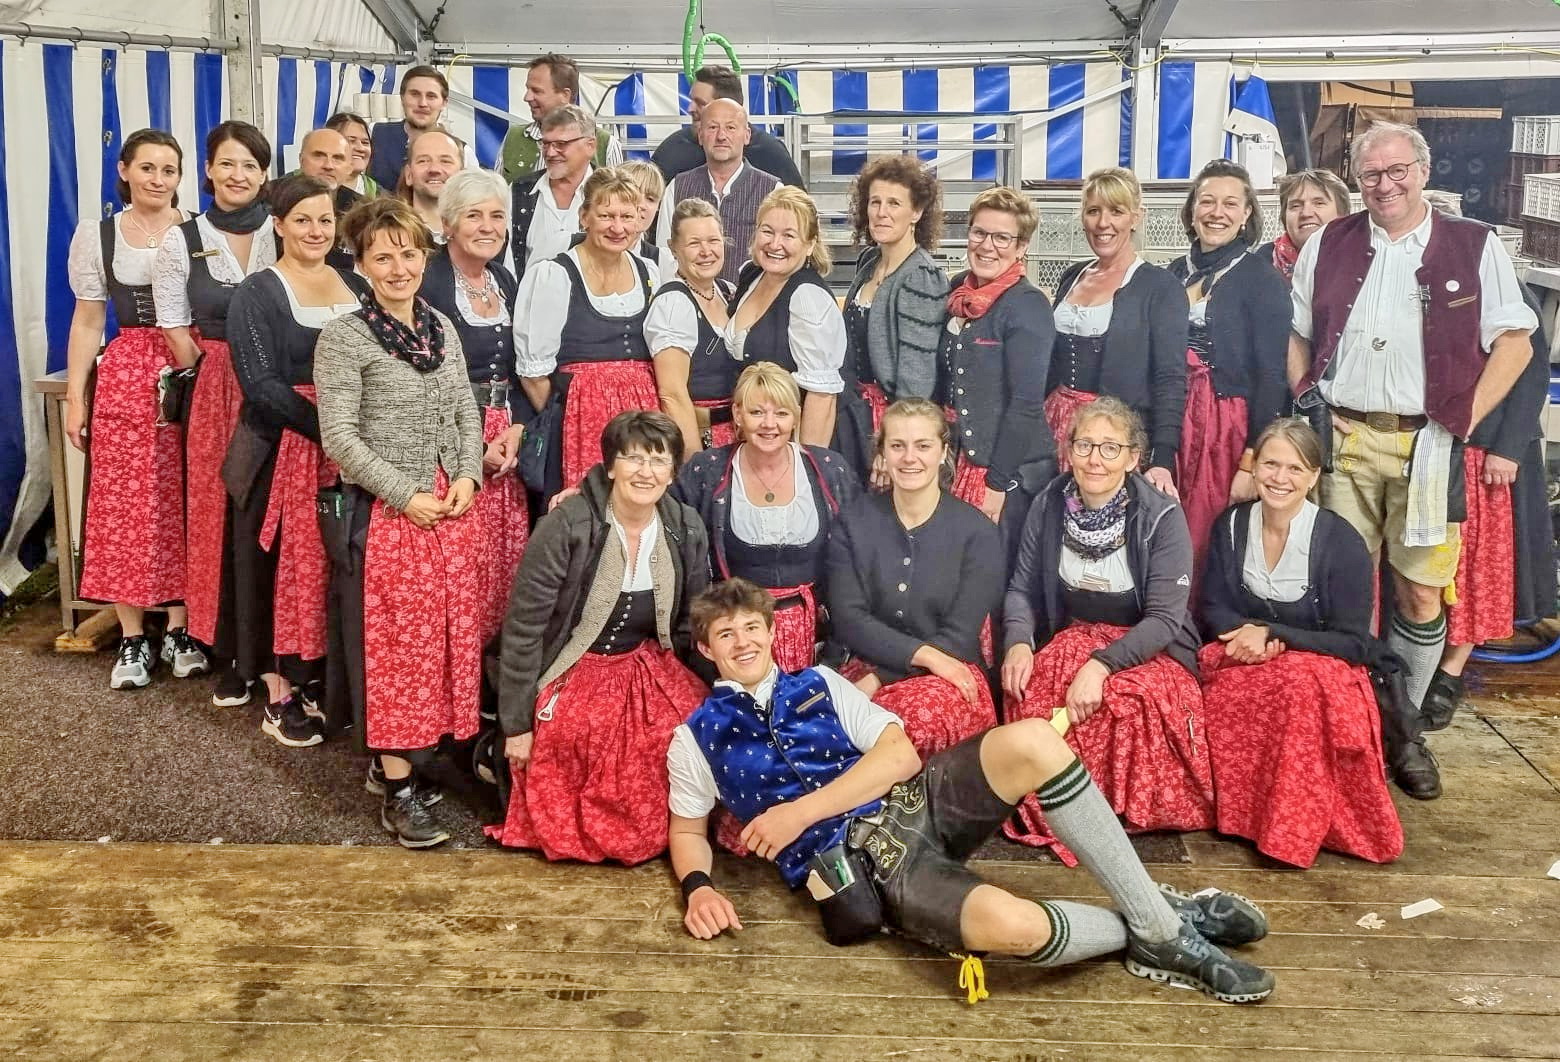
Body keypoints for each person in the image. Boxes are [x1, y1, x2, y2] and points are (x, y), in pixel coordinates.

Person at [669, 578, 1276, 1005]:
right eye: (726, 634)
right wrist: (698, 889)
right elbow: (688, 828)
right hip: (871, 872)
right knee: (1016, 927)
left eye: (752, 627)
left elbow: (901, 757)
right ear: (705, 647)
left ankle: (1164, 937)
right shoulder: (694, 738)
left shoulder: (822, 682)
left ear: (772, 631)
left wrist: (798, 813)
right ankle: (1159, 915)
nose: (743, 642)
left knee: (1033, 739)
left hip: (914, 805)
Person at [1288, 121, 1536, 778]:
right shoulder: (1329, 242)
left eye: (1397, 170)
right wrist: (1309, 398)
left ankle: (1403, 731)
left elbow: (1516, 344)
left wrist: (1459, 421)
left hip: (1427, 445)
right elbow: (1299, 332)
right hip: (1344, 440)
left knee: (1421, 593)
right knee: (1340, 588)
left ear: (1422, 172)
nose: (1385, 184)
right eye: (1371, 173)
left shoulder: (1473, 244)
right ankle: (1348, 726)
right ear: (1356, 179)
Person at [316, 196, 487, 848]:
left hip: (451, 510)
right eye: (383, 257)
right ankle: (398, 789)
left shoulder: (440, 326)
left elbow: (466, 409)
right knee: (397, 653)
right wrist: (403, 493)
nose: (398, 267)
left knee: (444, 645)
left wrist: (468, 474)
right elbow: (339, 438)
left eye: (408, 254)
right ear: (361, 266)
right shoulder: (344, 339)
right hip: (392, 515)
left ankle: (417, 757)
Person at [488, 411, 711, 863]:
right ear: (610, 466)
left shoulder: (684, 526)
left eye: (658, 461)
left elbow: (693, 621)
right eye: (633, 458)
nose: (646, 472)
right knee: (575, 732)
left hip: (645, 663)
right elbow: (525, 628)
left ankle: (668, 835)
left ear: (672, 472)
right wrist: (517, 725)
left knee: (685, 729)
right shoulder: (567, 525)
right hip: (573, 666)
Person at [1000, 398, 1214, 853]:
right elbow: (1020, 588)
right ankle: (1059, 815)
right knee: (1031, 691)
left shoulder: (1161, 516)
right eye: (1085, 445)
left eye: (1110, 448)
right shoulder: (1049, 503)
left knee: (1121, 702)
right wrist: (1018, 641)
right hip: (1074, 635)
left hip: (1148, 649)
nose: (1095, 459)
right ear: (1069, 451)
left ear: (1133, 458)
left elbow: (1164, 620)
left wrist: (1100, 666)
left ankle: (1108, 820)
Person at [1198, 420, 1409, 865]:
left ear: (1314, 476)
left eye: (1295, 468)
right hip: (1246, 655)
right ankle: (1242, 817)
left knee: (1299, 691)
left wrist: (1276, 636)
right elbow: (1213, 607)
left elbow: (1354, 641)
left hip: (1323, 666)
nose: (1280, 478)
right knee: (1208, 688)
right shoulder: (1231, 525)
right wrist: (1251, 639)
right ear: (1254, 467)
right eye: (1270, 464)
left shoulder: (1340, 541)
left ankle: (1290, 832)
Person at [226, 175, 365, 748]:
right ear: (279, 225)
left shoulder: (356, 282)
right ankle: (278, 692)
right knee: (275, 568)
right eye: (302, 220)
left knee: (335, 568)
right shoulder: (257, 292)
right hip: (279, 447)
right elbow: (261, 385)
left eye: (325, 220)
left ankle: (318, 679)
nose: (316, 230)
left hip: (349, 448)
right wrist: (333, 431)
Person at [64, 128, 203, 690]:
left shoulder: (197, 230)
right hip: (126, 374)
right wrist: (77, 396)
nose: (158, 179)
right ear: (124, 170)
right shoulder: (99, 236)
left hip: (189, 362)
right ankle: (130, 634)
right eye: (147, 168)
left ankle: (181, 627)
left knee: (187, 495)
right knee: (124, 503)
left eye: (169, 170)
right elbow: (87, 320)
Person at [153, 120, 276, 707]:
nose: (238, 175)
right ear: (207, 170)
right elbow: (174, 325)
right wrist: (217, 375)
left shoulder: (284, 228)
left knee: (271, 513)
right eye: (227, 163)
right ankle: (224, 645)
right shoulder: (182, 239)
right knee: (217, 512)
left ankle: (274, 649)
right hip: (217, 385)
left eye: (250, 165)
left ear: (264, 174)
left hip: (281, 385)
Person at [828, 398, 1001, 756]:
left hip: (949, 670)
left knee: (912, 724)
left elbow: (959, 634)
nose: (910, 458)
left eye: (923, 446)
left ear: (943, 452)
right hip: (863, 664)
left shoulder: (978, 533)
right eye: (897, 446)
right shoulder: (852, 523)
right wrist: (880, 672)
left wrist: (882, 678)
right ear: (882, 453)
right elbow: (848, 618)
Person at [675, 362, 858, 672]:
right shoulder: (706, 471)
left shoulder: (830, 469)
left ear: (796, 416)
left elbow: (857, 557)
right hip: (736, 638)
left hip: (815, 636)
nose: (769, 424)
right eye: (757, 412)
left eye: (781, 413)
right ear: (737, 414)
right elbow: (668, 528)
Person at [1424, 295, 1551, 730]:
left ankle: (1450, 672)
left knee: (1474, 569)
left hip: (1483, 453)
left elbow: (1532, 373)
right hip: (1425, 441)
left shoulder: (1508, 287)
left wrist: (1508, 448)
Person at [420, 169, 529, 644]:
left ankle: (494, 659)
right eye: (474, 216)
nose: (488, 227)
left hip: (505, 433)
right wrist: (471, 447)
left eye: (497, 216)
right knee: (459, 555)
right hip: (449, 433)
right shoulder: (426, 281)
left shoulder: (504, 278)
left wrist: (520, 428)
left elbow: (526, 365)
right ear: (447, 224)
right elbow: (420, 379)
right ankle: (460, 661)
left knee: (504, 555)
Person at [1166, 160, 1292, 567]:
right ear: (1192, 210)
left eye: (1230, 203)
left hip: (1225, 428)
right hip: (1171, 417)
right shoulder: (1172, 273)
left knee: (1210, 533)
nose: (1216, 213)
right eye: (1207, 201)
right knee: (1164, 528)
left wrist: (1251, 461)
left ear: (1246, 214)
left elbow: (1272, 378)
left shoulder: (1263, 280)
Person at [515, 168, 659, 494]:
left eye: (627, 216)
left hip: (644, 418)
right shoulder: (555, 274)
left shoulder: (649, 271)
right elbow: (533, 373)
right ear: (584, 217)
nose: (618, 227)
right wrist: (569, 420)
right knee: (586, 509)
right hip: (578, 420)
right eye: (606, 216)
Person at [1048, 168, 1186, 498]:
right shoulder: (1072, 276)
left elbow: (1170, 378)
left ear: (1136, 217)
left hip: (1112, 437)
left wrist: (1162, 459)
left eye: (1116, 211)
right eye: (1093, 211)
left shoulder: (1160, 287)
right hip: (1054, 429)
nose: (1103, 223)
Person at [936, 186, 1055, 536]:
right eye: (979, 233)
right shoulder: (957, 290)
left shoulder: (1028, 305)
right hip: (956, 459)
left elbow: (1026, 404)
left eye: (1002, 238)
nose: (987, 246)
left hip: (1007, 471)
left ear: (1022, 247)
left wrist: (997, 483)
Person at [836, 156, 951, 484]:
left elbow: (917, 381)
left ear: (916, 212)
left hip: (889, 419)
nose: (881, 212)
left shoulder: (922, 276)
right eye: (875, 202)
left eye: (894, 203)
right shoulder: (869, 261)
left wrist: (894, 444)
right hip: (852, 412)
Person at [726, 186, 846, 447]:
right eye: (767, 231)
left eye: (789, 235)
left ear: (810, 244)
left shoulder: (808, 298)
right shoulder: (751, 275)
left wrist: (806, 463)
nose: (775, 244)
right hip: (752, 441)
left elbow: (822, 397)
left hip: (790, 446)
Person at [646, 199, 739, 454]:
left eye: (713, 241)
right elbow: (672, 395)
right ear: (674, 248)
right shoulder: (673, 303)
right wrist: (695, 463)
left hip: (738, 435)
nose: (706, 251)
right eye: (694, 243)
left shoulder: (728, 292)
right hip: (701, 437)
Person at [655, 99, 783, 284]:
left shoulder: (772, 192)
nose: (721, 136)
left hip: (753, 299)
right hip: (690, 298)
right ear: (700, 135)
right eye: (713, 127)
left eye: (731, 127)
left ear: (746, 135)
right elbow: (666, 258)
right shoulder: (677, 187)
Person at [652, 65, 804, 188]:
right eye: (692, 100)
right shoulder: (674, 150)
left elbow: (800, 210)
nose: (690, 108)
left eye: (700, 103)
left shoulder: (770, 153)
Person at [498, 52, 622, 182]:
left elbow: (620, 193)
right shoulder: (513, 138)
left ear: (565, 95)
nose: (527, 97)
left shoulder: (606, 144)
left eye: (536, 91)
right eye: (528, 89)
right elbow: (498, 193)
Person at [508, 104, 597, 281]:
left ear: (590, 146)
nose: (550, 153)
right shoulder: (519, 191)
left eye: (561, 144)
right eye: (545, 144)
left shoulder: (609, 193)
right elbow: (505, 261)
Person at [368, 66, 478, 192]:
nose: (422, 103)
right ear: (402, 98)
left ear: (444, 103)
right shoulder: (373, 135)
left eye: (431, 96)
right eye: (415, 94)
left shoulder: (463, 152)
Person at [1262, 168, 1349, 282]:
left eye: (1318, 203)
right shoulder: (1262, 262)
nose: (1306, 213)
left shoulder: (1359, 259)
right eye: (1296, 206)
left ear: (1342, 214)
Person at [617, 160, 678, 283]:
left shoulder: (663, 261)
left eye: (650, 199)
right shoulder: (583, 248)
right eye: (634, 194)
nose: (642, 205)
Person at [401, 128, 464, 238]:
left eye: (445, 161)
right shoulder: (388, 231)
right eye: (423, 161)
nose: (434, 169)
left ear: (462, 174)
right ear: (408, 175)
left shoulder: (480, 232)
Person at [297, 127, 356, 215]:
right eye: (319, 156)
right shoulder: (276, 199)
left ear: (349, 168)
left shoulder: (361, 210)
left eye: (337, 158)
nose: (328, 166)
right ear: (301, 160)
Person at [326, 111, 378, 198]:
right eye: (351, 141)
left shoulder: (378, 194)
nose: (360, 148)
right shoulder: (309, 187)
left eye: (365, 142)